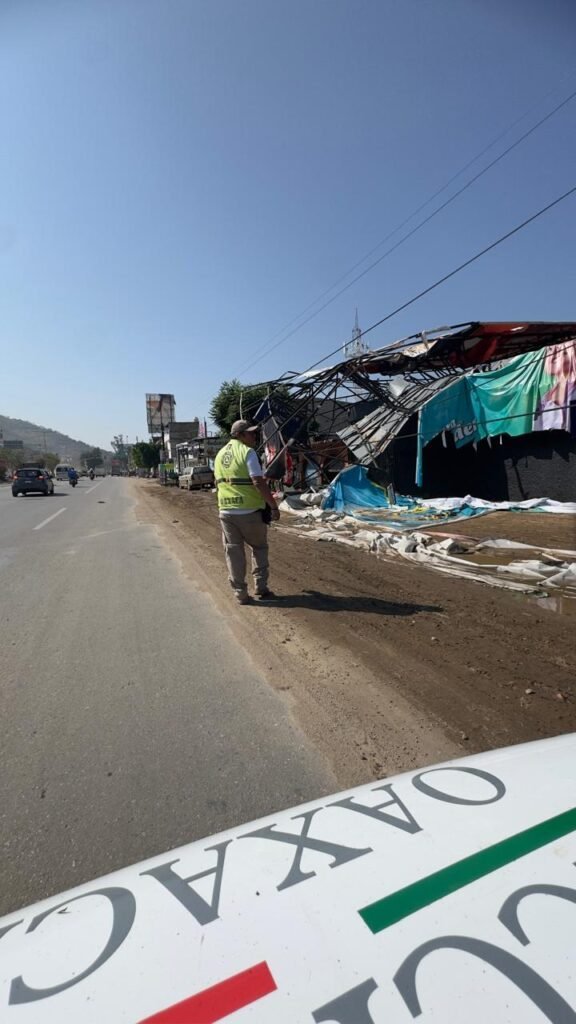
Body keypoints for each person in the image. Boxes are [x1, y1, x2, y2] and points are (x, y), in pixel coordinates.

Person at [214, 420, 280, 605]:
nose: (254, 436)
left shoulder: (219, 455)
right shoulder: (247, 452)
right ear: (240, 435)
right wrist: (273, 506)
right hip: (250, 512)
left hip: (226, 512)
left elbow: (218, 483)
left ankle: (240, 594)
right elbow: (258, 482)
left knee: (233, 553)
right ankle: (261, 587)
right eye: (250, 433)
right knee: (259, 548)